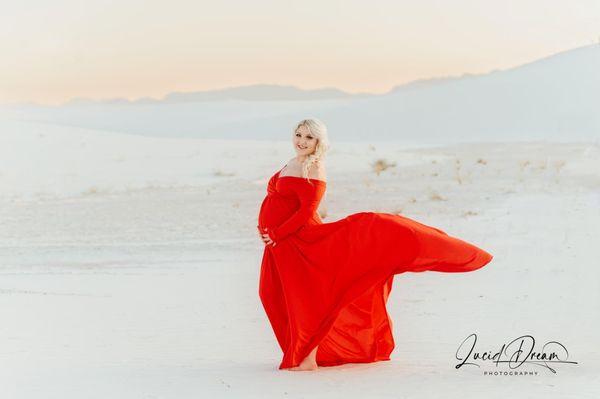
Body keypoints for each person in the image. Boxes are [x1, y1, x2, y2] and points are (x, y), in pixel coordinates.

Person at [257, 118, 493, 371]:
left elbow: (307, 211)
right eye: (298, 135)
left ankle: (307, 359)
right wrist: (267, 231)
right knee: (272, 293)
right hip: (280, 244)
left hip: (299, 242)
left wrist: (278, 233)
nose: (301, 141)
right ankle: (303, 353)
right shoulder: (292, 162)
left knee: (308, 298)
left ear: (318, 142)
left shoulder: (314, 169)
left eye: (308, 137)